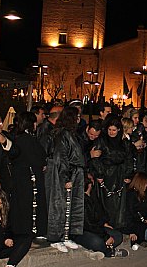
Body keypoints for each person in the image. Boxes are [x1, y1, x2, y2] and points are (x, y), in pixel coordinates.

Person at [45, 106, 85, 253]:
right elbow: (61, 158)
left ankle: (66, 235)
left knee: (70, 206)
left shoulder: (71, 134)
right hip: (63, 175)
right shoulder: (62, 135)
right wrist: (66, 177)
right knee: (59, 206)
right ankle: (56, 238)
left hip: (74, 174)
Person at [90, 116, 134, 231]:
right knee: (106, 202)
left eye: (114, 130)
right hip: (105, 174)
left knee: (119, 203)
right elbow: (95, 158)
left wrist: (128, 174)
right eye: (110, 130)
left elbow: (129, 158)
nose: (111, 132)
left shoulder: (124, 143)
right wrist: (99, 174)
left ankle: (118, 226)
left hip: (120, 175)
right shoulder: (101, 140)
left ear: (119, 130)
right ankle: (106, 225)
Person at [10, 111, 48, 239]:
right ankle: (33, 230)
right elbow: (39, 157)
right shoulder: (27, 140)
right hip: (29, 178)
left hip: (21, 177)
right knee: (30, 205)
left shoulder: (17, 138)